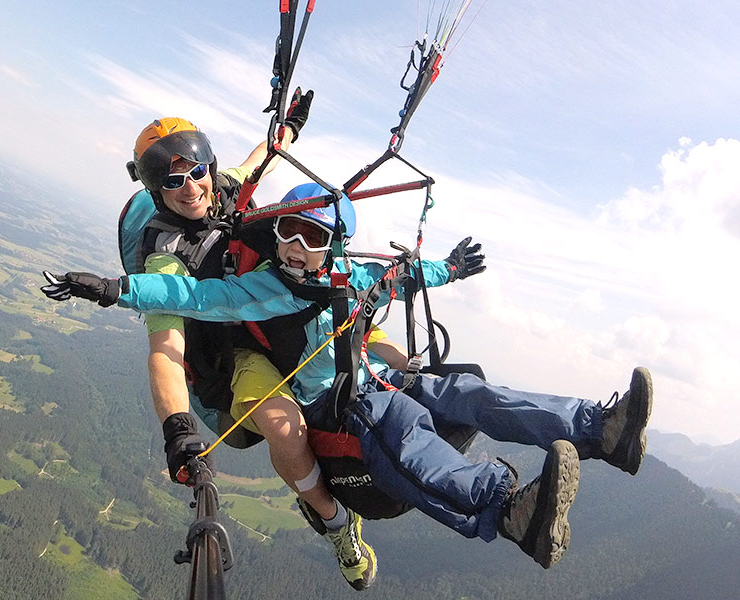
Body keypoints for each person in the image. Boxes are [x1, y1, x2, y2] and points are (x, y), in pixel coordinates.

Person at [42, 183, 654, 571]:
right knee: (410, 442)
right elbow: (189, 292)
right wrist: (117, 290)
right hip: (346, 407)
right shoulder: (264, 291)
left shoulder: (350, 278)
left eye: (311, 236)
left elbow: (400, 279)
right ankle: (508, 511)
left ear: (335, 244)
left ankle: (600, 428)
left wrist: (448, 270)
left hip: (374, 381)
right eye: (287, 230)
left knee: (470, 393)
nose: (295, 246)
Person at [117, 106, 377, 590]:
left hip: (278, 312)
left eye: (197, 172)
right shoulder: (165, 257)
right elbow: (165, 348)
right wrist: (178, 428)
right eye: (174, 183)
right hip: (236, 352)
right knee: (286, 428)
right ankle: (339, 526)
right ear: (156, 192)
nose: (192, 188)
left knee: (374, 339)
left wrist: (290, 128)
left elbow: (264, 158)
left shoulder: (222, 189)